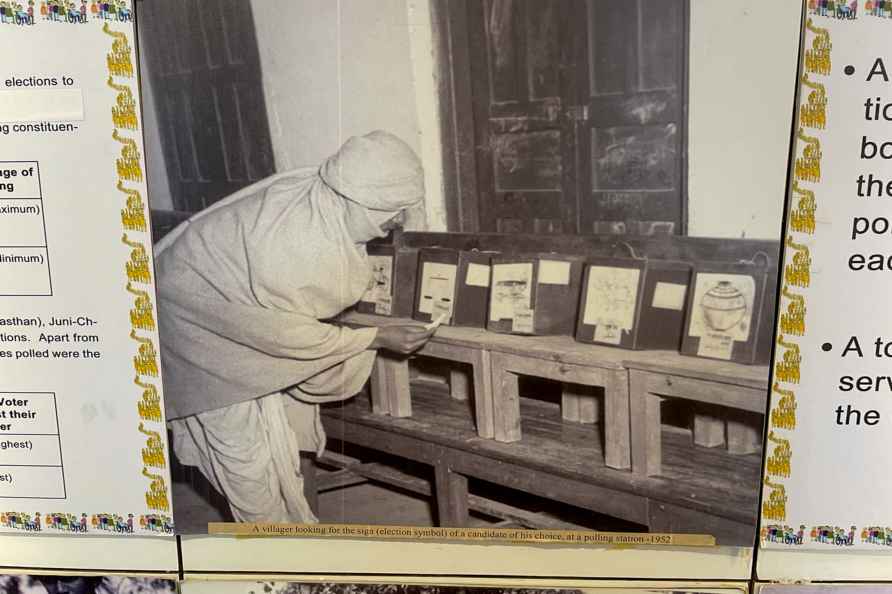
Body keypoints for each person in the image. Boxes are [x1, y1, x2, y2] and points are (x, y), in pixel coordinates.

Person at [156, 130, 435, 524]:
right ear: (363, 200)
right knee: (246, 461)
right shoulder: (294, 243)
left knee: (281, 438)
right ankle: (276, 567)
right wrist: (378, 337)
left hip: (226, 313)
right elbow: (285, 337)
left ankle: (296, 540)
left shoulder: (323, 192)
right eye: (394, 210)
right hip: (194, 332)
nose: (398, 221)